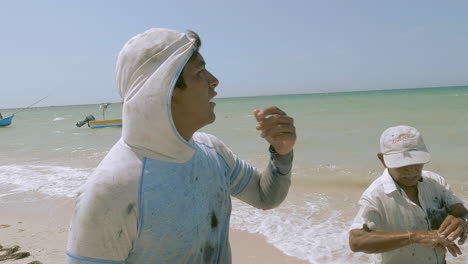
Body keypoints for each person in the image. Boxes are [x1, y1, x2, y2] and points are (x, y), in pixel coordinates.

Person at [65, 28, 296, 264]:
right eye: (200, 71)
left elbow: (265, 196)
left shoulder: (213, 151)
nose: (214, 81)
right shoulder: (109, 191)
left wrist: (281, 153)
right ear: (165, 87)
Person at [349, 125, 468, 263]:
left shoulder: (436, 182)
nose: (412, 170)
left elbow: (461, 212)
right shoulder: (375, 196)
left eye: (417, 162)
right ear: (383, 160)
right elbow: (356, 241)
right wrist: (413, 237)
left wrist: (462, 223)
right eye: (402, 165)